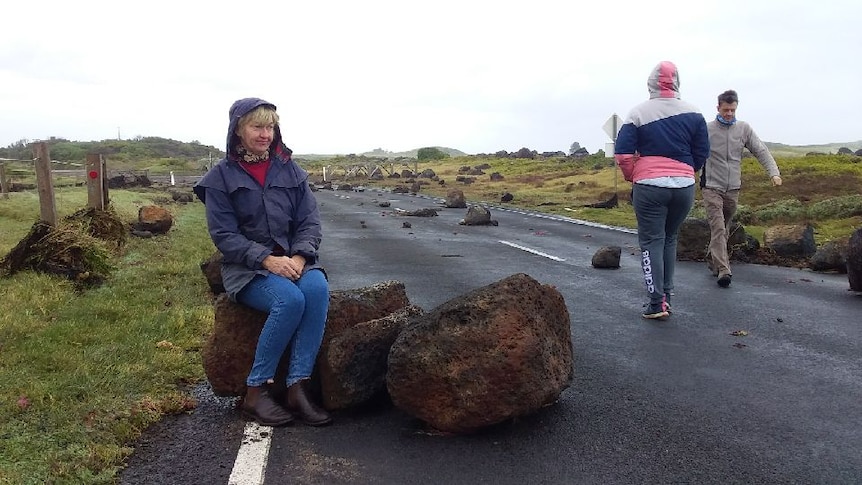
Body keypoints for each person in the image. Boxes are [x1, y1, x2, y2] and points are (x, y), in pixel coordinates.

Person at [193, 98, 332, 427]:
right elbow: (224, 236)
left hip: (294, 260)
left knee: (316, 289)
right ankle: (255, 392)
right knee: (289, 300)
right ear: (238, 130)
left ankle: (297, 388)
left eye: (270, 127)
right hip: (246, 269)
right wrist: (267, 260)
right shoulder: (220, 178)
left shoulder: (291, 171)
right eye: (257, 126)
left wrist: (299, 255)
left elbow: (310, 222)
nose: (265, 134)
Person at [615, 61, 710, 319]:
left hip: (649, 185)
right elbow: (702, 151)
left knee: (651, 242)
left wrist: (632, 175)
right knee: (670, 238)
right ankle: (667, 294)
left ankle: (656, 303)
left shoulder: (638, 113)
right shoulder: (695, 113)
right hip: (684, 186)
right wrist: (689, 170)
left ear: (651, 83)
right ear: (677, 82)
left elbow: (623, 154)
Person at [701, 89, 782, 288]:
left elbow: (760, 150)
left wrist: (774, 173)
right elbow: (690, 151)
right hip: (711, 186)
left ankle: (713, 257)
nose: (729, 113)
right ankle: (724, 270)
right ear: (718, 108)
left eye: (733, 110)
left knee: (724, 228)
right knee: (718, 227)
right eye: (726, 109)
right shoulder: (706, 129)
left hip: (733, 188)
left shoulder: (744, 129)